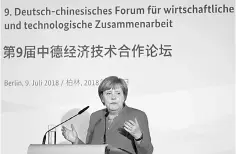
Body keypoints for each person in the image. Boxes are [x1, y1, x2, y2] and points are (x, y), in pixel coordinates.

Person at [61, 76, 153, 154]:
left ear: (124, 97)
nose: (113, 97)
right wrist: (76, 141)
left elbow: (147, 152)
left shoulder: (137, 115)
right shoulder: (95, 117)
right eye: (108, 93)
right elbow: (90, 151)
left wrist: (138, 136)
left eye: (118, 93)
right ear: (102, 98)